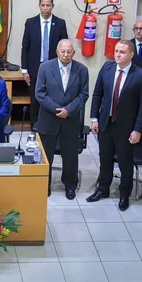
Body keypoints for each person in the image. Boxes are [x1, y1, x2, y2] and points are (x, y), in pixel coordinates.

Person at [87, 40, 142, 211]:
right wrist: (94, 118)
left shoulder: (141, 75)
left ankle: (124, 194)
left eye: (122, 52)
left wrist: (137, 129)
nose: (118, 55)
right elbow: (97, 94)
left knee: (124, 162)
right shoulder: (107, 68)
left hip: (126, 127)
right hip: (106, 124)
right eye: (116, 51)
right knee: (105, 159)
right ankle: (103, 189)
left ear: (131, 54)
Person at [35, 39, 89, 199]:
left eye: (69, 52)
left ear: (74, 53)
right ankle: (45, 185)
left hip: (71, 120)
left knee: (70, 156)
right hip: (48, 119)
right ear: (57, 52)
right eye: (63, 51)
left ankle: (70, 185)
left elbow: (84, 95)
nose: (66, 55)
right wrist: (57, 109)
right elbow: (40, 93)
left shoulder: (82, 70)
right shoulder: (45, 67)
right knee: (46, 156)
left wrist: (69, 110)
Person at [21, 0, 68, 130]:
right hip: (35, 68)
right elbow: (25, 47)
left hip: (54, 69)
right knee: (35, 100)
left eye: (48, 5)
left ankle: (50, 128)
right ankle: (34, 128)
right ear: (39, 5)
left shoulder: (60, 23)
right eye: (43, 5)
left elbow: (64, 47)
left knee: (52, 99)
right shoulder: (31, 23)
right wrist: (24, 70)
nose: (45, 8)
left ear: (52, 6)